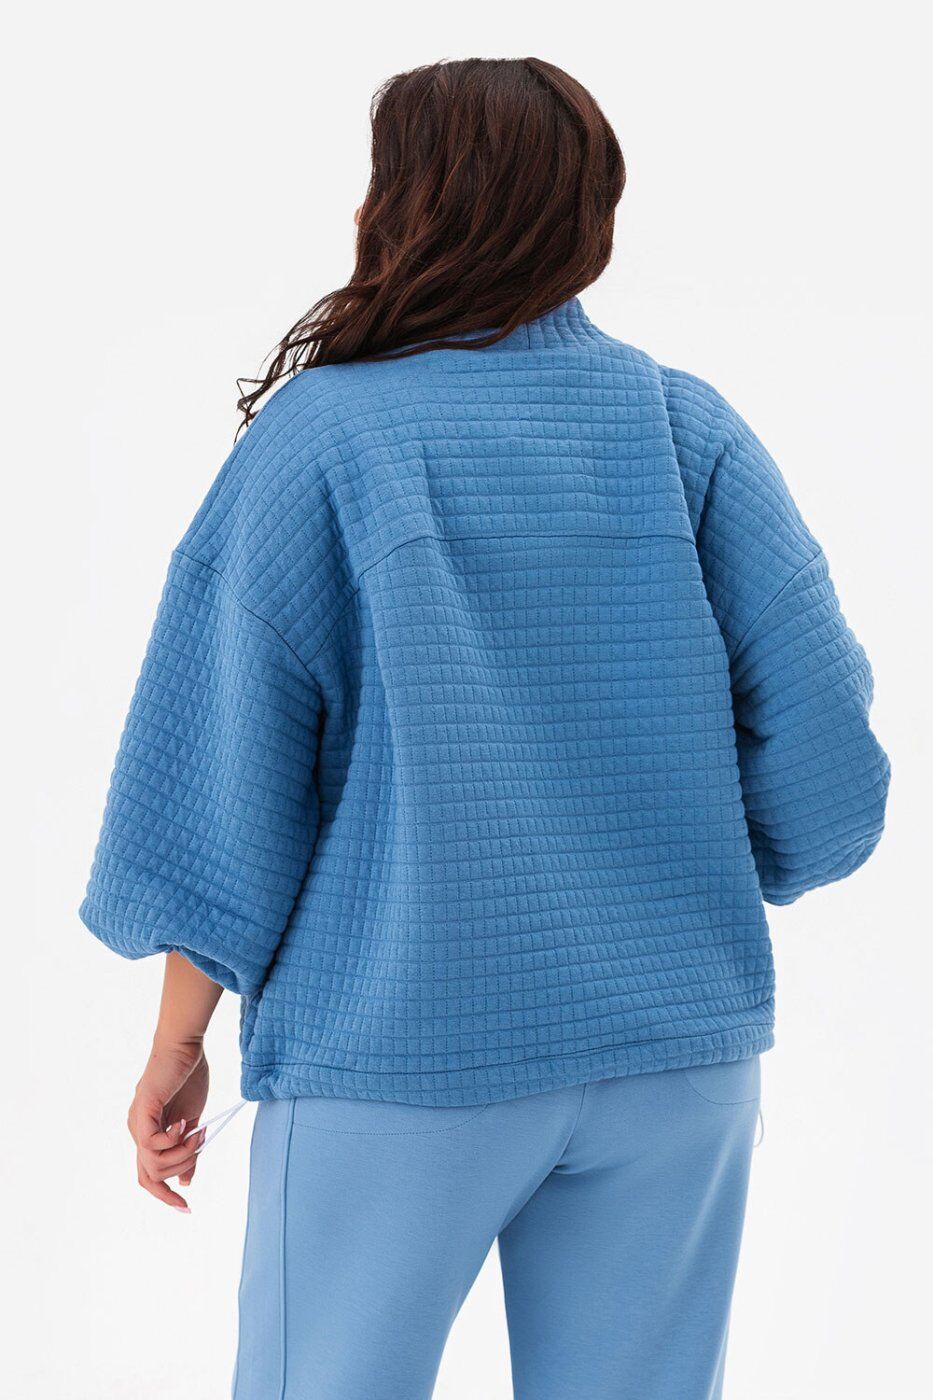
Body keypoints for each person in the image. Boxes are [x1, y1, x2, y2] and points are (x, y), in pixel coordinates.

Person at [80, 57, 889, 1400]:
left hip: (400, 1052)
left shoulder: (324, 438)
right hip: (677, 1060)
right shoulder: (680, 428)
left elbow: (218, 777)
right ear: (588, 212)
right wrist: (672, 871)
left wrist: (177, 1042)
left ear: (399, 204)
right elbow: (828, 766)